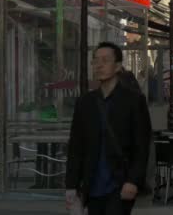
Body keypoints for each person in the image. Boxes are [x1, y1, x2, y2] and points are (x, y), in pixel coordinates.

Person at [65, 42, 151, 215]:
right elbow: (76, 146)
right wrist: (71, 185)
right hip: (92, 185)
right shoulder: (85, 102)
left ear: (118, 66)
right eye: (95, 61)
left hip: (120, 184)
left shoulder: (133, 101)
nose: (99, 65)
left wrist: (133, 180)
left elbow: (142, 145)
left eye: (105, 60)